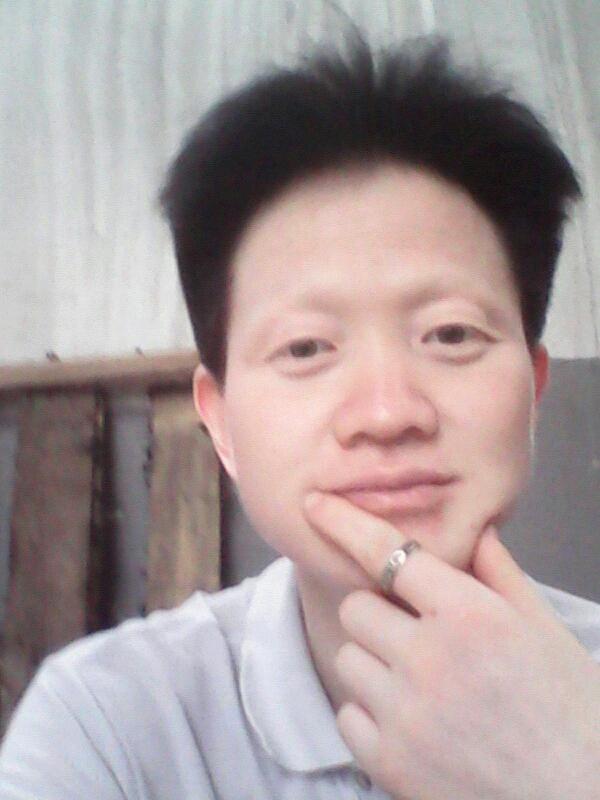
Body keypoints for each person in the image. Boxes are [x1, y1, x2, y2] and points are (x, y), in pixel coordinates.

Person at [1, 35, 599, 799]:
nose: (388, 413)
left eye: (451, 334)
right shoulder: (106, 723)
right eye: (306, 347)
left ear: (534, 391)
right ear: (220, 424)